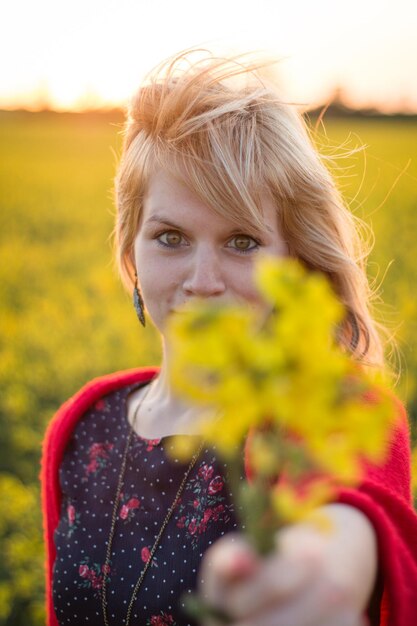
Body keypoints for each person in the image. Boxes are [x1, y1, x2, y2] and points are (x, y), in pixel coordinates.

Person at [41, 50, 417, 626]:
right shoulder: (85, 426)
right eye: (170, 237)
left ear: (298, 262)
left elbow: (350, 520)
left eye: (242, 241)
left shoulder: (332, 410)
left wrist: (325, 574)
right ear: (130, 252)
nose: (203, 281)